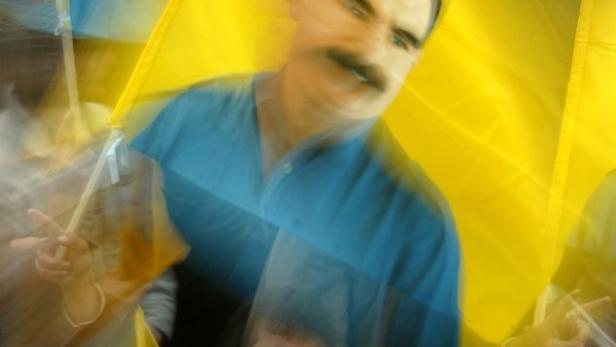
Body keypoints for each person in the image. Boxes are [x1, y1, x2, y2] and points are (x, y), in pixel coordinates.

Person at [132, 0, 460, 346]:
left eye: (401, 39)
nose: (370, 53)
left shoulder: (421, 235)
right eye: (357, 10)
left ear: (413, 62)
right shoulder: (185, 120)